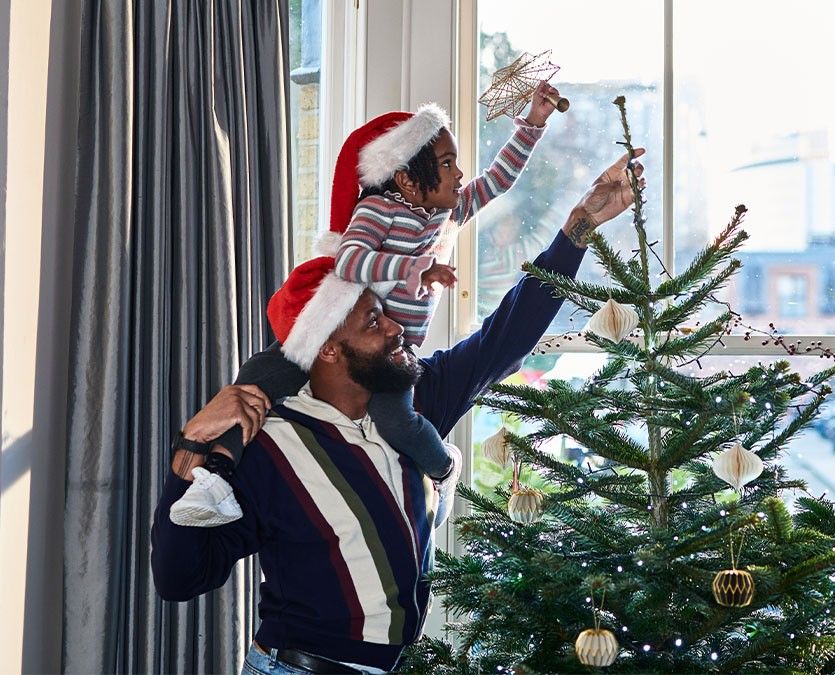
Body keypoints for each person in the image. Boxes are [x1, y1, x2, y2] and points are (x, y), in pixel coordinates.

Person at [152, 148, 646, 674]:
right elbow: (180, 577)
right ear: (327, 349)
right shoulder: (269, 445)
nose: (395, 329)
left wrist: (581, 224)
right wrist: (190, 450)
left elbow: (510, 333)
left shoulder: (419, 399)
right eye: (372, 323)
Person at [169, 84, 562, 528]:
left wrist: (533, 123)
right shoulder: (379, 209)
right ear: (407, 180)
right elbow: (351, 259)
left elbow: (497, 181)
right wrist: (418, 270)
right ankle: (213, 479)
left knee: (398, 423)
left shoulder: (446, 213)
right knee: (257, 380)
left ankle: (444, 469)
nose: (459, 173)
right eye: (447, 164)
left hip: (391, 356)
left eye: (456, 163)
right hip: (337, 336)